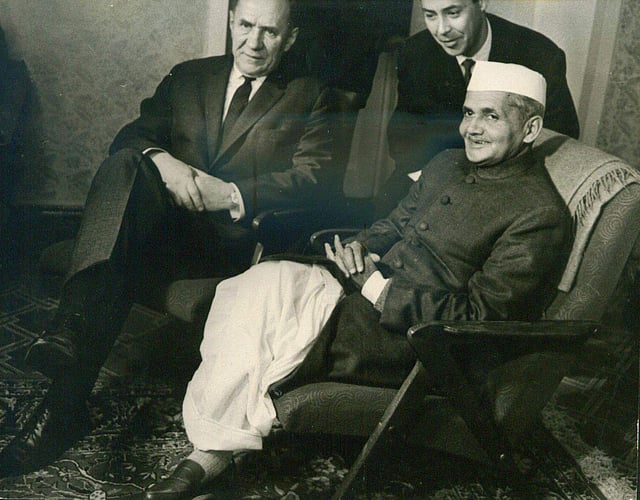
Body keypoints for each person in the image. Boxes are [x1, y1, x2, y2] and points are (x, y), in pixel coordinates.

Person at [142, 62, 573, 499]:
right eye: (468, 113)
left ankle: (205, 460)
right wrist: (358, 249)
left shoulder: (539, 214)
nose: (471, 129)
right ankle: (216, 447)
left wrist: (376, 288)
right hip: (358, 290)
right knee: (255, 285)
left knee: (270, 325)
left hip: (413, 341)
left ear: (531, 128)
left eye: (490, 116)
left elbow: (482, 317)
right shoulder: (446, 163)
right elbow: (395, 225)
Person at [0, 0, 344, 477]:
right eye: (246, 25)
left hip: (230, 246)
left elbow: (315, 179)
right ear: (231, 21)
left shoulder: (312, 94)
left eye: (269, 31)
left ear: (290, 37)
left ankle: (65, 373)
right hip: (160, 232)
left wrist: (230, 194)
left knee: (112, 260)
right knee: (129, 163)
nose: (254, 42)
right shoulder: (189, 77)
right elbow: (131, 136)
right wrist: (164, 162)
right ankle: (64, 388)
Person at [376, 0, 580, 218]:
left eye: (453, 13)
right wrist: (438, 179)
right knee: (382, 216)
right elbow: (402, 134)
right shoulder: (416, 51)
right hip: (433, 175)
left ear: (481, 3)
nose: (442, 30)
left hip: (504, 184)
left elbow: (559, 133)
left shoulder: (539, 54)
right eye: (430, 15)